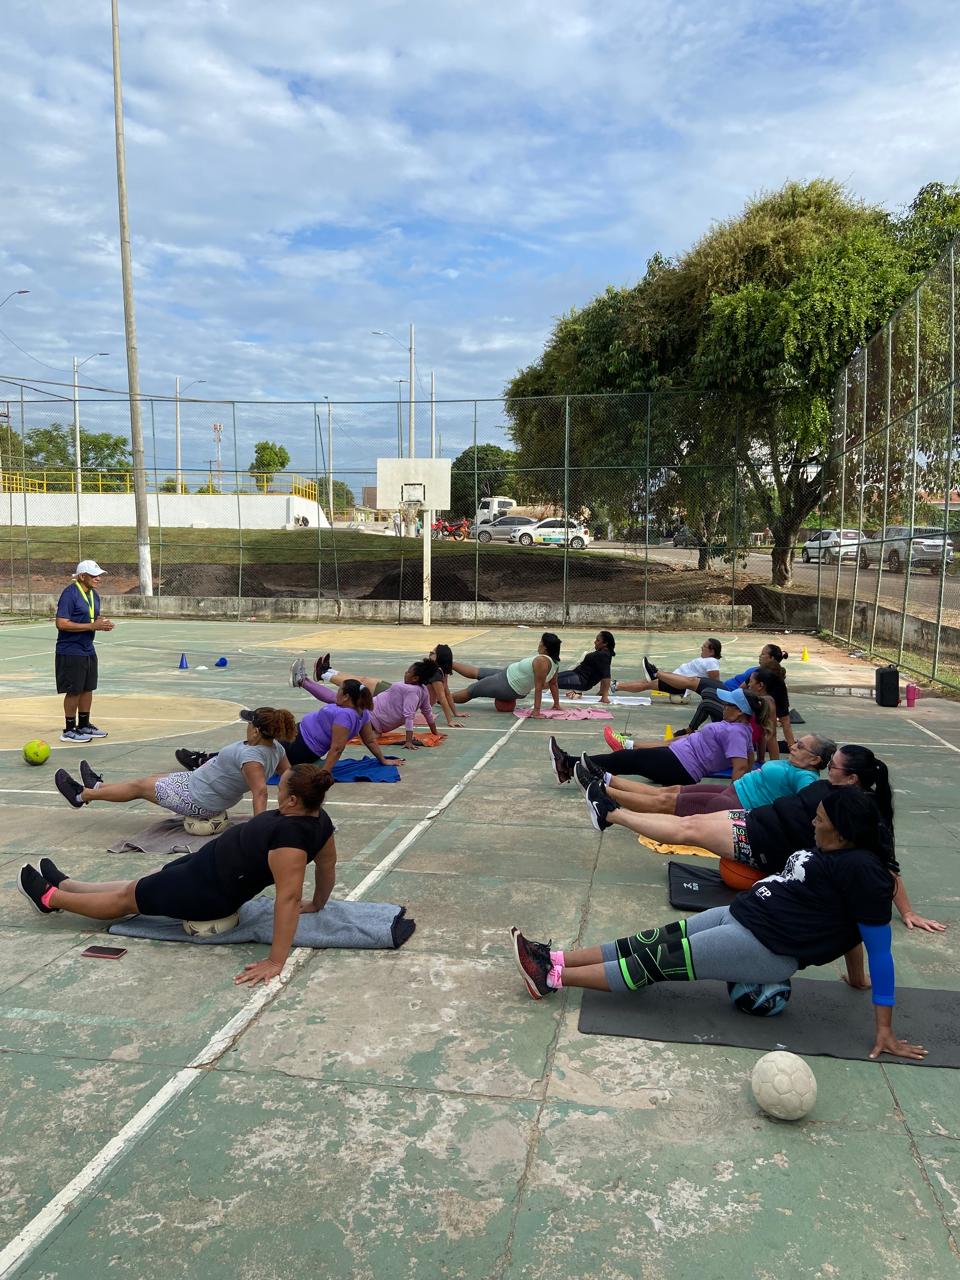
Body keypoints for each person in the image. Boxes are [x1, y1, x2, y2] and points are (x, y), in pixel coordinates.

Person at [510, 788, 927, 1061]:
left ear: (844, 830)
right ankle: (555, 956)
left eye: (820, 820)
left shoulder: (865, 875)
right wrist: (854, 980)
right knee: (647, 941)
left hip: (765, 946)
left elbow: (876, 947)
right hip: (746, 913)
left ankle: (550, 977)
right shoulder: (837, 852)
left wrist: (885, 1028)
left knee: (655, 963)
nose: (813, 824)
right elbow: (849, 927)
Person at [19, 764, 337, 987]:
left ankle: (51, 898)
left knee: (126, 900)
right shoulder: (319, 818)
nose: (275, 790)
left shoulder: (291, 842)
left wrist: (276, 962)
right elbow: (326, 866)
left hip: (207, 891)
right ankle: (68, 885)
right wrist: (319, 902)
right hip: (206, 867)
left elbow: (288, 898)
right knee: (137, 886)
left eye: (280, 788)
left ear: (293, 800)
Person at [581, 743, 945, 934]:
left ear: (851, 779)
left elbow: (886, 864)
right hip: (756, 822)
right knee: (688, 820)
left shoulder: (861, 814)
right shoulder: (830, 787)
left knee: (688, 828)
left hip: (759, 841)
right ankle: (610, 802)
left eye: (832, 766)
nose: (825, 768)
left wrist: (908, 911)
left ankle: (609, 812)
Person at [54, 707, 294, 819]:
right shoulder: (275, 748)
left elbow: (260, 791)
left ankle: (82, 796)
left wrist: (260, 828)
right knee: (146, 781)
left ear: (257, 731)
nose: (246, 725)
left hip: (199, 799)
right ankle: (98, 788)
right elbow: (289, 776)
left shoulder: (252, 759)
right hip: (197, 783)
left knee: (140, 787)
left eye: (249, 723)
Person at [549, 687, 763, 787]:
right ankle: (571, 768)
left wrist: (734, 797)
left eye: (729, 705)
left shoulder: (736, 731)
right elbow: (750, 758)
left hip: (682, 765)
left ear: (740, 712)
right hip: (678, 759)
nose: (724, 707)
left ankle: (567, 763)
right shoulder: (740, 729)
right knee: (628, 761)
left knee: (625, 759)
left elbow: (742, 767)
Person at [595, 732, 836, 816]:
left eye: (801, 747)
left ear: (815, 759)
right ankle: (608, 780)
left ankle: (602, 793)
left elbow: (803, 807)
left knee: (664, 802)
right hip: (732, 792)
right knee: (670, 792)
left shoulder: (807, 778)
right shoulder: (794, 766)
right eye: (796, 743)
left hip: (736, 804)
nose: (793, 746)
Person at [657, 644, 795, 749]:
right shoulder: (758, 676)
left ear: (760, 685)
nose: (759, 656)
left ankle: (658, 674)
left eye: (762, 654)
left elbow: (771, 735)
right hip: (731, 704)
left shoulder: (766, 694)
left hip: (734, 713)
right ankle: (658, 675)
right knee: (703, 691)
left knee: (699, 689)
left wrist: (790, 746)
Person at [293, 657, 441, 750]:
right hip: (372, 717)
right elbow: (427, 712)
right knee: (339, 699)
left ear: (415, 678)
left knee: (336, 698)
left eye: (408, 672)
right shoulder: (422, 690)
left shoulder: (409, 690)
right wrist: (435, 733)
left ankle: (302, 681)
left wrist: (409, 741)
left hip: (369, 714)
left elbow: (409, 717)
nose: (405, 673)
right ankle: (306, 680)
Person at [54, 559, 115, 743]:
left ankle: (84, 724)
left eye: (99, 575)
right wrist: (91, 625)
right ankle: (69, 729)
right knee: (74, 690)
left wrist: (102, 623)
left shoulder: (94, 595)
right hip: (70, 650)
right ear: (82, 576)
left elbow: (92, 617)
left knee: (88, 688)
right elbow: (61, 623)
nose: (98, 579)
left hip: (87, 648)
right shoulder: (69, 594)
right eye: (94, 576)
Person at [279, 678, 397, 770]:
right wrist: (383, 760)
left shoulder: (345, 716)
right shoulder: (363, 711)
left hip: (298, 746)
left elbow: (337, 748)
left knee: (264, 737)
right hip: (297, 737)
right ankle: (303, 680)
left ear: (346, 697)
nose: (337, 693)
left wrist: (325, 772)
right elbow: (369, 740)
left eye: (339, 690)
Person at [450, 633, 562, 718]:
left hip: (508, 685)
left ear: (545, 647)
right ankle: (447, 663)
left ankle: (443, 699)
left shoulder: (542, 661)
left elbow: (539, 687)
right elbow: (553, 683)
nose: (539, 645)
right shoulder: (555, 662)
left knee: (472, 690)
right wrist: (556, 704)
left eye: (540, 643)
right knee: (477, 672)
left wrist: (536, 711)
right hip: (506, 676)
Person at [614, 638, 722, 695]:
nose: (701, 648)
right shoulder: (706, 660)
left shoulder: (712, 662)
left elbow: (715, 683)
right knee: (646, 682)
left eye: (704, 647)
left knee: (646, 684)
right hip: (675, 678)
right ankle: (617, 686)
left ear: (712, 651)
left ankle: (616, 687)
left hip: (679, 684)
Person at [556, 631, 615, 702]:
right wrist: (601, 692)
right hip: (576, 675)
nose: (595, 642)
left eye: (598, 640)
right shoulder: (604, 654)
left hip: (580, 679)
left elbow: (606, 676)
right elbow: (602, 674)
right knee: (548, 679)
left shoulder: (603, 655)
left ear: (605, 643)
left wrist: (604, 696)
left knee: (549, 681)